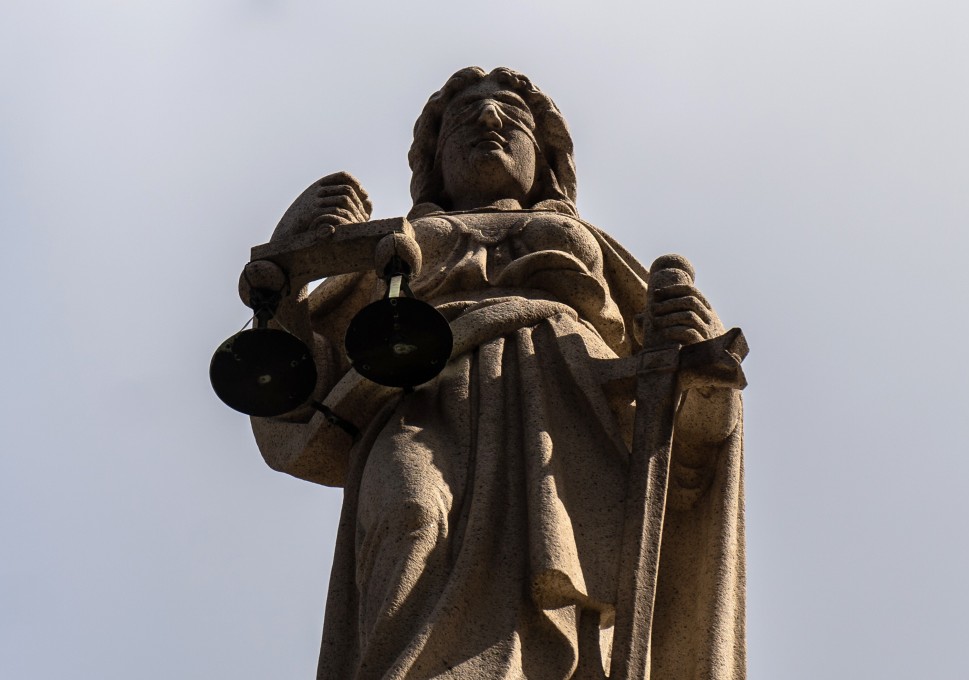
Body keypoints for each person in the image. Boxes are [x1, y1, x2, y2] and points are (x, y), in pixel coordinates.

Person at [243, 67, 745, 680]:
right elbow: (299, 399)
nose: (487, 120)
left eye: (513, 116)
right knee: (410, 515)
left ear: (549, 155)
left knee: (557, 586)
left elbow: (689, 438)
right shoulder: (394, 249)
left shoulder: (602, 255)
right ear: (433, 161)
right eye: (463, 118)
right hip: (420, 404)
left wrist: (698, 356)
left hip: (563, 422)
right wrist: (288, 267)